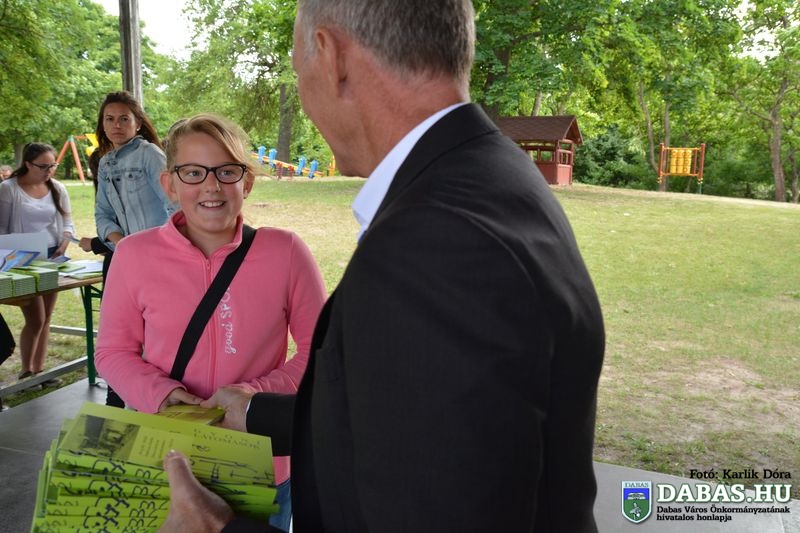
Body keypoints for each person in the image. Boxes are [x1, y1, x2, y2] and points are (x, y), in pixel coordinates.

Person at [162, 1, 605, 532]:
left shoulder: (434, 247)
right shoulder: (490, 172)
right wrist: (255, 414)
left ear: (331, 56)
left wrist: (215, 528)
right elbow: (412, 414)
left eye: (298, 68)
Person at [94, 113, 326, 532]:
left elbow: (321, 351)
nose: (211, 186)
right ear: (169, 184)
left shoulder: (286, 251)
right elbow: (113, 352)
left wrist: (254, 400)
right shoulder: (133, 255)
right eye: (193, 172)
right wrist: (161, 394)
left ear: (246, 182)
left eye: (226, 171)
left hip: (261, 460)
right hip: (168, 455)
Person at [92, 90, 175, 407]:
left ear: (138, 123)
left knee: (155, 334)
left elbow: (174, 205)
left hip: (159, 260)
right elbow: (102, 214)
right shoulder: (105, 162)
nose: (116, 125)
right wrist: (121, 244)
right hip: (124, 260)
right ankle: (117, 404)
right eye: (109, 119)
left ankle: (155, 402)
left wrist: (158, 248)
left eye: (124, 119)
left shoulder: (149, 155)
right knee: (120, 335)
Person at [0, 143, 76, 382]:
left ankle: (39, 371)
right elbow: (1, 229)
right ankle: (26, 372)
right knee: (36, 319)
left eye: (52, 165)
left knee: (47, 317)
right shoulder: (9, 189)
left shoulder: (58, 187)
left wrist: (64, 243)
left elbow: (68, 223)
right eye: (43, 166)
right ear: (28, 164)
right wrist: (15, 254)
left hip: (52, 257)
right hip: (23, 259)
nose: (49, 171)